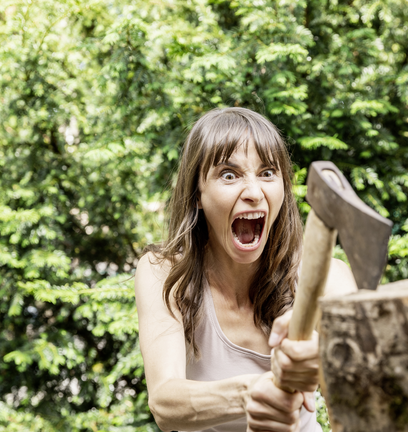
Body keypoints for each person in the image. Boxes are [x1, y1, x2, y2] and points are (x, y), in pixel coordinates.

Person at [135, 107, 358, 432]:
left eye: (268, 173)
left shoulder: (328, 279)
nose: (254, 193)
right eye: (229, 174)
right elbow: (165, 400)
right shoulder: (164, 273)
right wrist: (252, 392)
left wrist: (327, 363)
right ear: (197, 193)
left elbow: (369, 397)